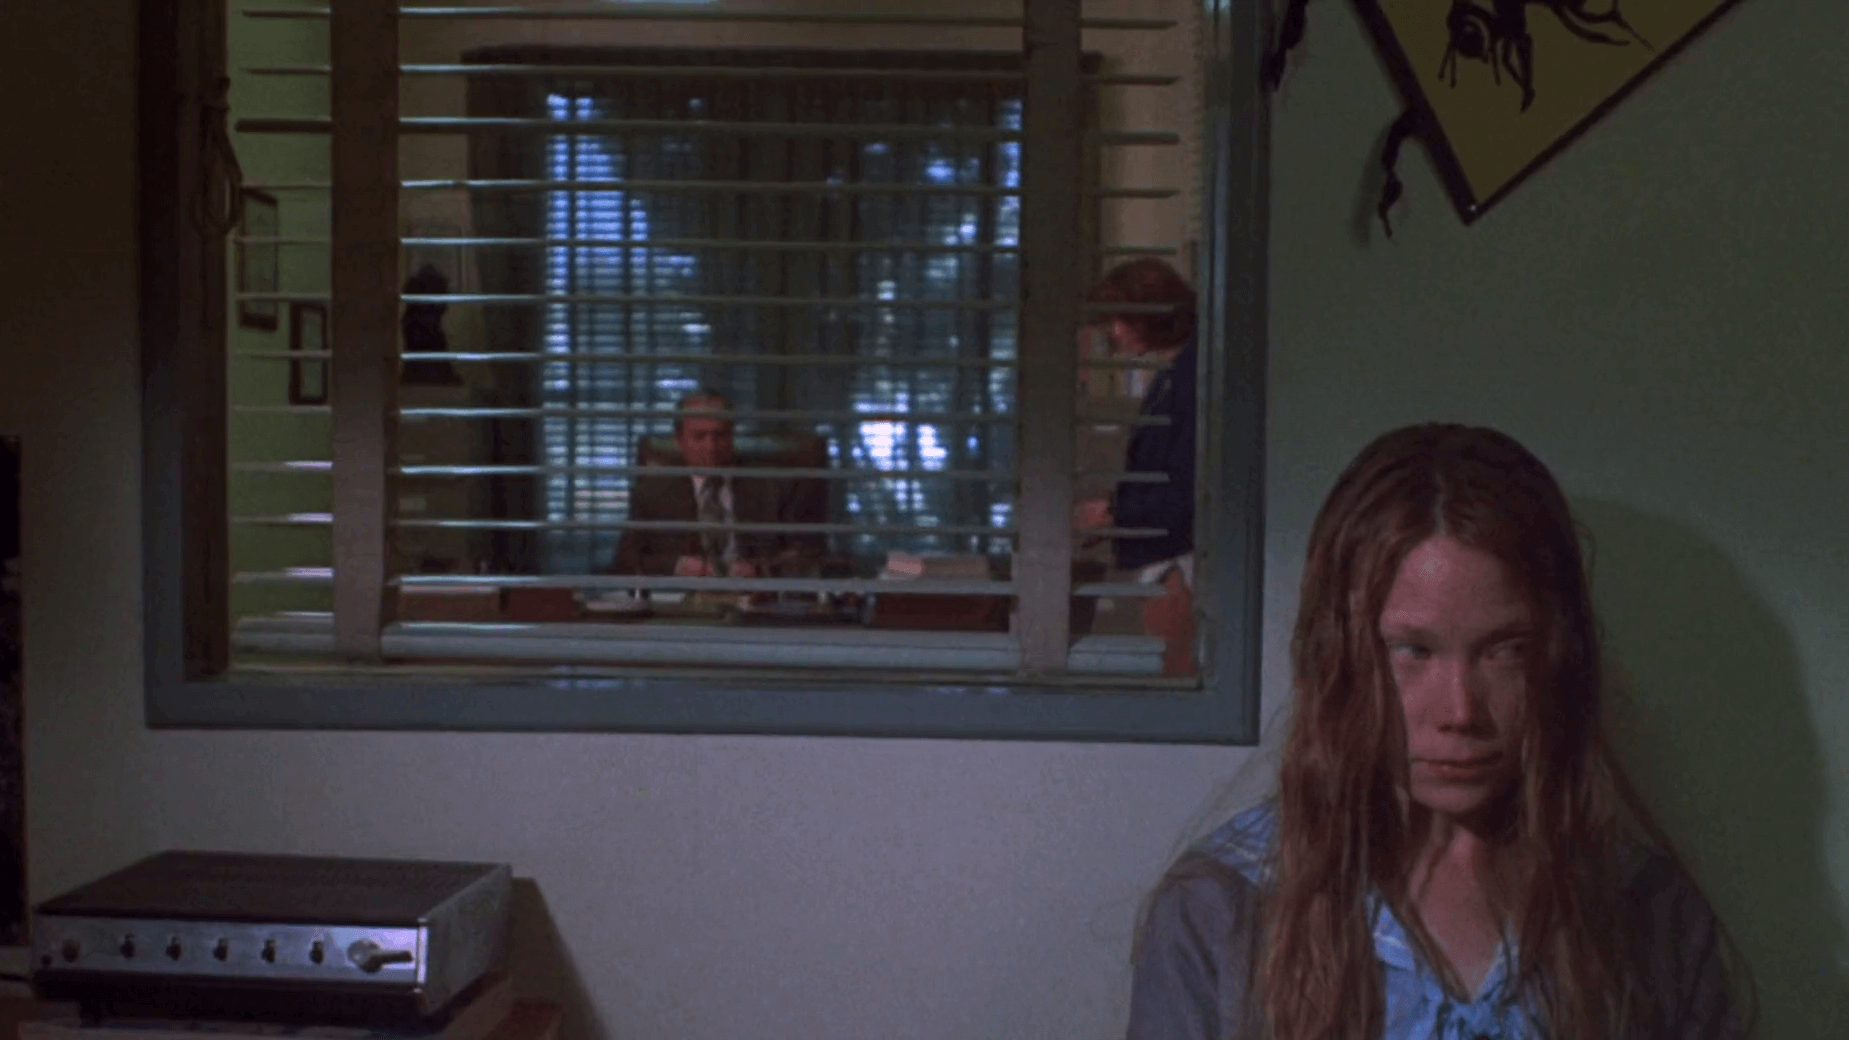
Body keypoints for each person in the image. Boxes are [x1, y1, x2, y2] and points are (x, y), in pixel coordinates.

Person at [1127, 424, 1754, 1040]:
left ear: (1558, 653)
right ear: (1340, 655)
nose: (1460, 711)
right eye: (1413, 651)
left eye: (1505, 650)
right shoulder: (1222, 912)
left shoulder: (1645, 913)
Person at [1074, 258, 1198, 676]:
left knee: (1177, 673)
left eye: (1119, 320)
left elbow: (1185, 485)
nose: (1113, 334)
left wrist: (1113, 513)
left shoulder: (1190, 381)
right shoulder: (1171, 377)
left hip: (1177, 560)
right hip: (1166, 557)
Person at [609, 390, 825, 582]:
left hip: (755, 598)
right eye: (699, 437)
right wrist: (677, 565)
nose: (710, 447)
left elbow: (806, 553)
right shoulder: (652, 492)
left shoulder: (774, 485)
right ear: (679, 441)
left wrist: (759, 569)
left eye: (720, 435)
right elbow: (626, 561)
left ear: (731, 436)